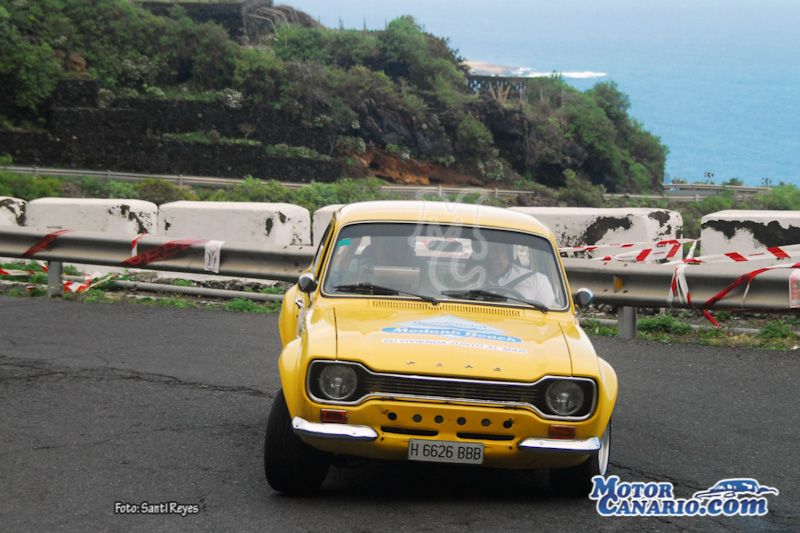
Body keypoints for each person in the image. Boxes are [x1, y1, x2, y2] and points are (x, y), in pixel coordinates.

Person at [481, 242, 556, 307]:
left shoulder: (537, 280)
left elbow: (546, 314)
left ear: (509, 252)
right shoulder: (474, 279)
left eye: (496, 249)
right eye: (486, 250)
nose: (490, 256)